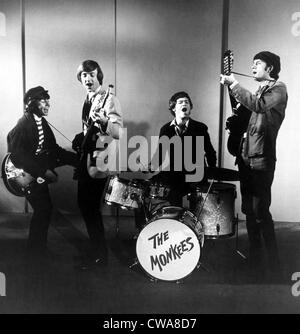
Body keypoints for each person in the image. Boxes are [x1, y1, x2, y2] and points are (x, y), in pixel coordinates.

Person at [220, 51, 288, 274]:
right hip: (246, 158)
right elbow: (243, 113)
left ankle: (275, 263)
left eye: (257, 63)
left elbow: (258, 106)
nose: (252, 66)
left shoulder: (278, 89)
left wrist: (235, 84)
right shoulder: (259, 90)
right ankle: (256, 260)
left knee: (260, 210)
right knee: (249, 209)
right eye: (252, 63)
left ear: (270, 68)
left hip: (261, 160)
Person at [7, 86, 78, 257]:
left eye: (48, 100)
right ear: (31, 103)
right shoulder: (23, 125)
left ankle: (37, 250)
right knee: (43, 209)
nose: (48, 104)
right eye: (43, 100)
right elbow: (17, 156)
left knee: (44, 209)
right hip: (24, 175)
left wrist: (78, 160)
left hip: (36, 173)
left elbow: (53, 149)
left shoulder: (42, 122)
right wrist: (44, 172)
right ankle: (35, 252)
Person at [135, 91, 217, 230]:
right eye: (180, 102)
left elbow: (210, 152)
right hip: (174, 174)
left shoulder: (200, 128)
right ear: (173, 108)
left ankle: (185, 230)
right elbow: (159, 155)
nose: (184, 104)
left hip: (195, 174)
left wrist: (212, 173)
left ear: (190, 107)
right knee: (140, 189)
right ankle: (147, 230)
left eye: (187, 102)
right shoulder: (166, 129)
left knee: (182, 197)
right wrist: (149, 166)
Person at [72, 60, 123, 270]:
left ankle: (100, 258)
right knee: (86, 206)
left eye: (91, 75)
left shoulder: (110, 99)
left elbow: (118, 132)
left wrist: (103, 121)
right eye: (84, 76)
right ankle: (97, 253)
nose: (87, 79)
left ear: (98, 77)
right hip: (87, 157)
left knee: (90, 208)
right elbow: (89, 129)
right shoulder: (88, 99)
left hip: (99, 160)